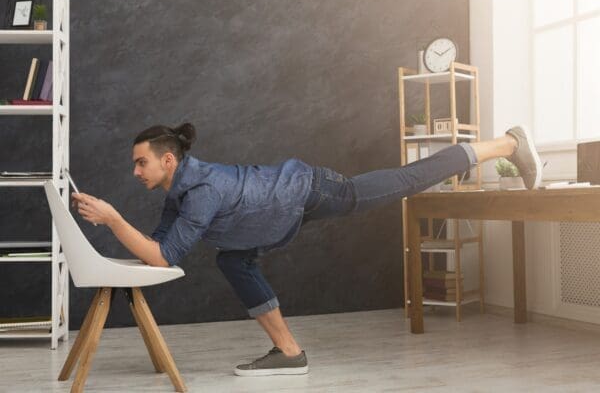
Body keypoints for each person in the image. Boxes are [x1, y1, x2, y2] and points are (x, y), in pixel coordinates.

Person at [71, 122, 542, 376]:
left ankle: (505, 143)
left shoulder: (200, 192)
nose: (136, 172)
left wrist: (112, 218)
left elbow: (163, 257)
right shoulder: (180, 192)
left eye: (141, 163)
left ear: (167, 159)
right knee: (233, 259)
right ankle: (290, 352)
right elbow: (159, 246)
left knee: (402, 182)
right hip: (284, 206)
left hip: (309, 190)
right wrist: (117, 228)